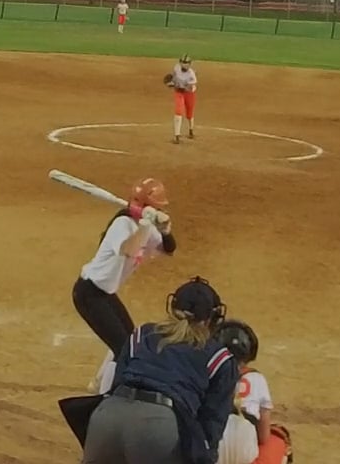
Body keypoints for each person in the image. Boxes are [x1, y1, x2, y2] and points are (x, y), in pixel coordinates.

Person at [81, 277, 239, 464]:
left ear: (172, 307)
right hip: (159, 426)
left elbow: (117, 382)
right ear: (210, 319)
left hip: (107, 417)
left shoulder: (141, 334)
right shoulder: (219, 357)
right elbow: (210, 425)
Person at [75, 178, 177, 393]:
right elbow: (129, 250)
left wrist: (165, 231)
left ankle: (98, 382)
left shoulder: (146, 227)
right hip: (89, 293)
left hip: (105, 294)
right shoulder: (122, 224)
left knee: (130, 342)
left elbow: (168, 250)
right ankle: (106, 397)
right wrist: (146, 225)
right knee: (123, 349)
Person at [215, 320, 292, 464]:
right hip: (246, 455)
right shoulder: (257, 379)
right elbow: (263, 436)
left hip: (211, 453)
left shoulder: (205, 375)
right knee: (278, 439)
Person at [168, 57, 199, 143]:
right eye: (183, 62)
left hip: (189, 93)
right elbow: (173, 78)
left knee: (189, 113)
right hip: (179, 93)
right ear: (180, 63)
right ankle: (176, 136)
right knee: (178, 111)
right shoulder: (176, 68)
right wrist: (171, 83)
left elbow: (187, 88)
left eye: (186, 63)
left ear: (189, 64)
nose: (185, 64)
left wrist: (177, 86)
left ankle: (191, 130)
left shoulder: (192, 75)